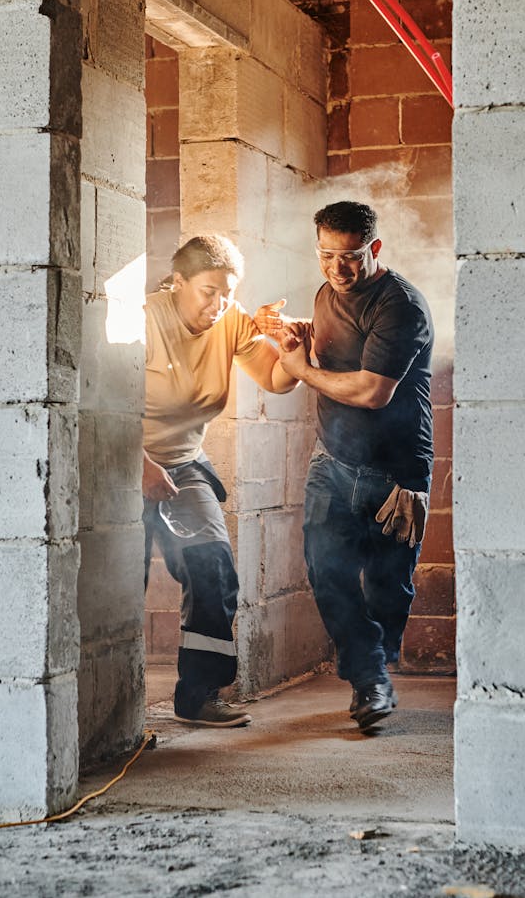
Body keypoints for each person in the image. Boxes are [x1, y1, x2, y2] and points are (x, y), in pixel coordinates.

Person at [270, 201, 434, 734]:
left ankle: (375, 673)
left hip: (395, 475)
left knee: (389, 587)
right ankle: (370, 681)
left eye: (350, 256)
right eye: (326, 255)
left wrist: (300, 369)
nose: (338, 268)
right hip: (332, 463)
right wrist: (295, 340)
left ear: (375, 249)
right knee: (326, 572)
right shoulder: (325, 293)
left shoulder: (400, 306)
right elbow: (318, 355)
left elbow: (370, 391)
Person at [142, 234, 297, 727]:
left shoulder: (230, 320)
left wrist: (291, 346)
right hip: (123, 459)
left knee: (214, 569)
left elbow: (276, 378)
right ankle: (112, 708)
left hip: (184, 463)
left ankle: (198, 695)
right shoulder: (143, 319)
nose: (220, 303)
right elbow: (97, 404)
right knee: (121, 585)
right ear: (178, 282)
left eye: (228, 291)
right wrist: (137, 465)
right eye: (208, 290)